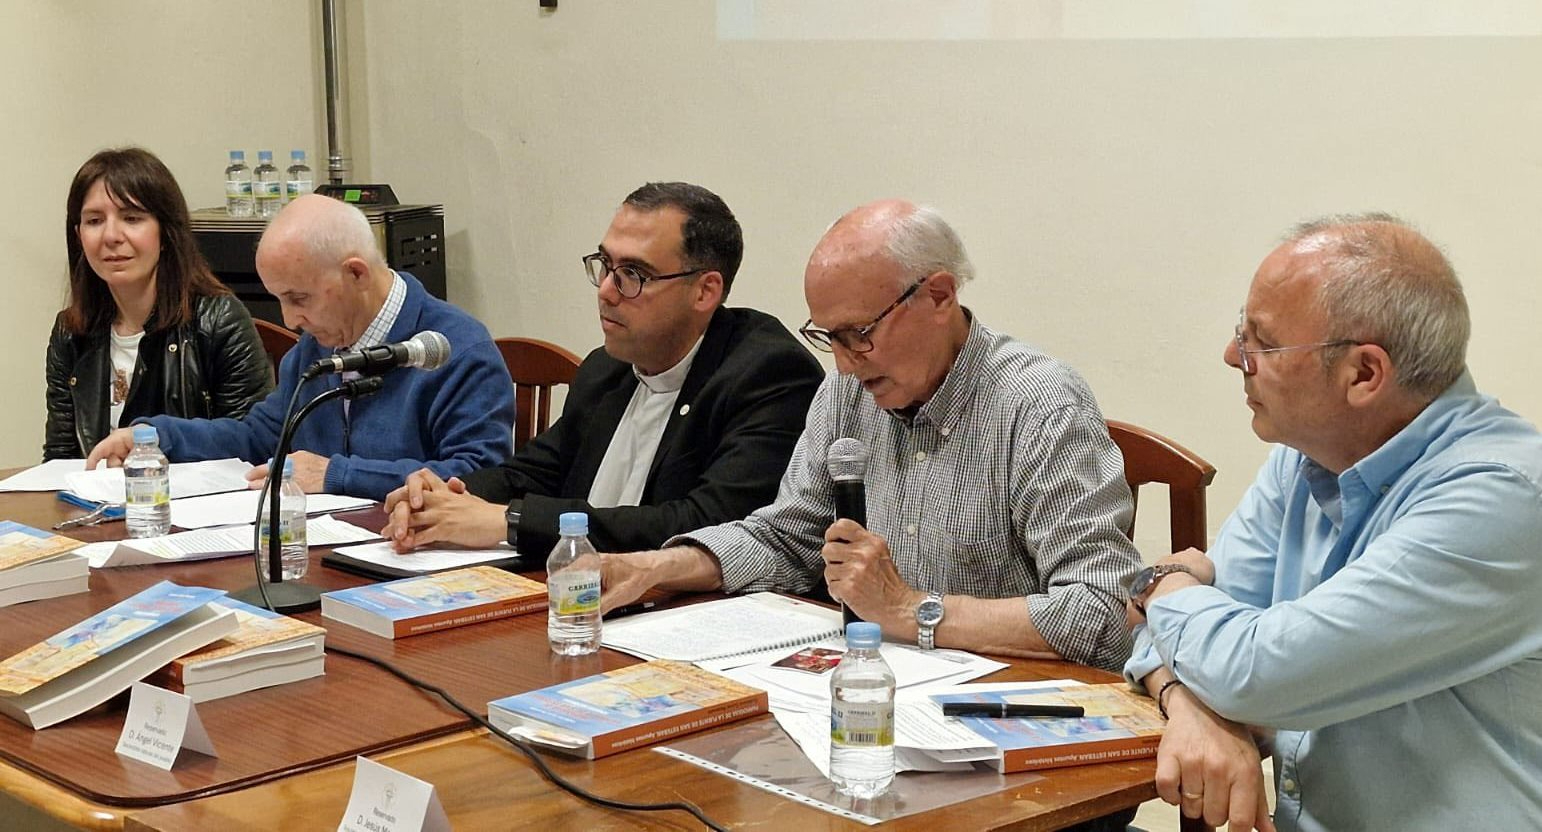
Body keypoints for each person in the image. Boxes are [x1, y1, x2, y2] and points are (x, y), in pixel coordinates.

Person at [1123, 214, 1542, 831]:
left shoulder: (1502, 499)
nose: (1233, 356)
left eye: (1262, 343)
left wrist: (1161, 585)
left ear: (1364, 374)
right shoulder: (1305, 457)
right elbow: (1195, 648)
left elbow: (1252, 671)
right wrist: (1183, 700)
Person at [600, 199, 1141, 673]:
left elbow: (1104, 609)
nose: (843, 364)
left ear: (938, 296)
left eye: (858, 334)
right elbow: (787, 539)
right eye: (827, 338)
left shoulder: (1040, 406)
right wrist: (653, 566)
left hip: (1013, 710)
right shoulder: (847, 393)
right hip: (876, 686)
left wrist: (910, 609)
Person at [381, 182, 823, 556]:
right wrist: (442, 494)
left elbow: (705, 523)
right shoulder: (606, 368)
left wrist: (509, 521)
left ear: (705, 291)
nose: (606, 291)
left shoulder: (770, 375)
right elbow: (532, 474)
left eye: (633, 274)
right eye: (606, 265)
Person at [85, 194, 515, 500]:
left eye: (299, 298)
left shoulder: (456, 349)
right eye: (279, 299)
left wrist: (337, 475)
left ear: (356, 274)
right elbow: (259, 437)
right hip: (328, 550)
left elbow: (479, 477)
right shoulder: (315, 348)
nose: (289, 320)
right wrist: (157, 437)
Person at [44, 147, 271, 460]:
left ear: (165, 232)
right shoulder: (70, 332)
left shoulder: (220, 320)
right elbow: (60, 459)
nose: (111, 236)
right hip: (98, 492)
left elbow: (253, 448)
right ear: (78, 235)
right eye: (94, 221)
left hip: (192, 492)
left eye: (131, 218)